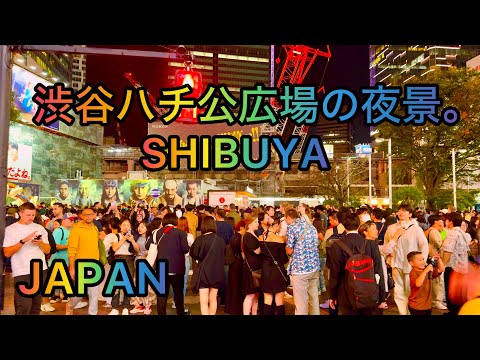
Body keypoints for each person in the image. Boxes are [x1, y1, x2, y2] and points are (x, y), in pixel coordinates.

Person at [328, 212, 386, 315]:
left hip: (346, 293)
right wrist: (382, 298)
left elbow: (334, 274)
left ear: (343, 225)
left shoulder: (337, 246)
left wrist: (332, 296)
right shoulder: (371, 244)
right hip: (368, 291)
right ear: (359, 225)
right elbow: (378, 271)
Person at [3, 202, 50, 315]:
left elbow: (47, 250)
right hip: (22, 271)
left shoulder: (39, 228)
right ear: (20, 213)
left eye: (33, 215)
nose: (31, 217)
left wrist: (40, 243)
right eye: (28, 215)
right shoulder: (10, 229)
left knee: (36, 306)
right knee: (23, 306)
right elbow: (7, 253)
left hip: (40, 270)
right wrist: (23, 241)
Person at [145, 213, 190, 315]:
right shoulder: (181, 233)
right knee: (178, 294)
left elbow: (148, 246)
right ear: (175, 221)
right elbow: (185, 249)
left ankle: (161, 313)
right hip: (177, 269)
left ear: (163, 222)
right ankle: (180, 312)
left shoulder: (157, 233)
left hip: (161, 268)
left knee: (162, 295)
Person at [285, 208, 321, 315]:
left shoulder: (292, 227)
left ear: (288, 217)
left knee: (301, 302)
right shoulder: (310, 226)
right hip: (314, 267)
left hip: (300, 269)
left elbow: (290, 250)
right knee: (313, 298)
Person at [66, 207, 101, 315]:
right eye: (86, 215)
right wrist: (72, 268)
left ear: (94, 215)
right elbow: (71, 250)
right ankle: (70, 305)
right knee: (79, 294)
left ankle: (92, 313)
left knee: (94, 293)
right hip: (81, 265)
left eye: (91, 214)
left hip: (94, 266)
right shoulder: (76, 229)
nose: (88, 217)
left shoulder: (95, 228)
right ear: (81, 216)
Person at [190, 216, 226, 315]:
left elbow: (193, 254)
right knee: (213, 298)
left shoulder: (199, 239)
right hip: (217, 272)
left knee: (204, 300)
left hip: (204, 273)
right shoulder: (220, 240)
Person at [259, 217, 289, 315]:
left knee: (267, 299)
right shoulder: (279, 239)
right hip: (277, 271)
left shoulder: (261, 237)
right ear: (276, 225)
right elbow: (284, 259)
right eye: (279, 226)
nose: (280, 228)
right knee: (279, 299)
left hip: (266, 270)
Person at [407, 251, 445, 315]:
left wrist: (439, 259)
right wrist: (425, 271)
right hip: (417, 306)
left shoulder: (427, 270)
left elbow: (441, 269)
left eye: (423, 259)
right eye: (419, 260)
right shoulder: (413, 272)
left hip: (427, 305)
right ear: (411, 263)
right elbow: (418, 284)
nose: (423, 262)